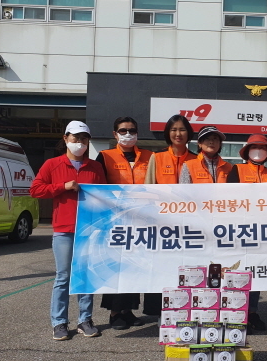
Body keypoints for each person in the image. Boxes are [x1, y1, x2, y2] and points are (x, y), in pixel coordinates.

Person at [30, 121, 106, 341]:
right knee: (63, 277)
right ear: (65, 139)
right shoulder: (52, 164)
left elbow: (104, 195)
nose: (79, 142)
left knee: (85, 276)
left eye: (83, 138)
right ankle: (59, 322)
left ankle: (85, 320)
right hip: (64, 230)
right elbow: (35, 190)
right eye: (75, 138)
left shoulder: (95, 167)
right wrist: (62, 187)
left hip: (89, 231)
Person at [96, 116, 153, 330]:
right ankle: (114, 313)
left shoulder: (149, 156)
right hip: (115, 221)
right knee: (116, 266)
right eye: (123, 130)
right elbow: (97, 186)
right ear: (115, 134)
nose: (128, 134)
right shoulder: (105, 156)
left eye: (132, 130)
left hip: (141, 220)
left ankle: (128, 310)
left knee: (135, 266)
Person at [143, 114, 196, 317]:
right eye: (174, 130)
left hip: (189, 225)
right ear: (168, 133)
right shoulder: (157, 158)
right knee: (161, 267)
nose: (178, 134)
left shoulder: (196, 159)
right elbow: (148, 190)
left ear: (188, 133)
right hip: (162, 224)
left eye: (182, 129)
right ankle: (160, 312)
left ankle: (187, 310)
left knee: (187, 267)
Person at [227, 134, 267, 333]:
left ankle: (253, 312)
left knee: (255, 271)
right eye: (254, 147)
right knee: (238, 270)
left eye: (262, 148)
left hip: (262, 230)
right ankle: (237, 311)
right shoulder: (237, 169)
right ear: (247, 151)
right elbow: (229, 198)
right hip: (241, 228)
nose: (258, 151)